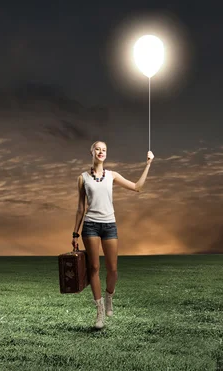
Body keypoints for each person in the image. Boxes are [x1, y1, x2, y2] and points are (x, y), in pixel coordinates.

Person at [72, 140, 154, 329]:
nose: (101, 152)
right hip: (90, 225)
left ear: (106, 154)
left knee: (113, 270)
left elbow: (137, 187)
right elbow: (80, 208)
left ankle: (109, 296)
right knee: (93, 268)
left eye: (104, 150)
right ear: (91, 152)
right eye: (98, 149)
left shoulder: (112, 175)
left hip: (109, 225)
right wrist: (75, 233)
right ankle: (99, 311)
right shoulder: (83, 178)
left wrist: (148, 164)